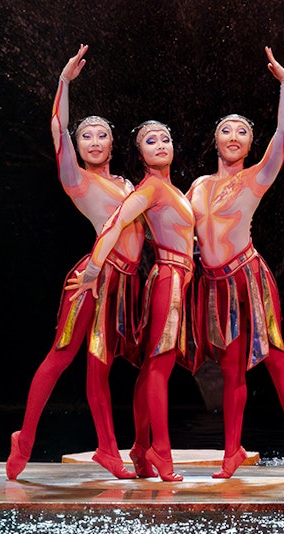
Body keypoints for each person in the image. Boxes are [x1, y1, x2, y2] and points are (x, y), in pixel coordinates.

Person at [7, 45, 144, 480]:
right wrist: (64, 83)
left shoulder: (126, 183)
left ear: (112, 143)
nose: (95, 141)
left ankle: (109, 449)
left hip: (127, 282)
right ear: (78, 146)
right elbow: (56, 127)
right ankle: (24, 437)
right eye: (86, 135)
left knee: (101, 365)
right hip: (93, 278)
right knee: (62, 355)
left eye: (102, 134)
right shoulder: (77, 179)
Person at [188, 46, 284, 480]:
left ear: (250, 143)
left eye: (242, 131)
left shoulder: (254, 179)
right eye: (227, 130)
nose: (235, 136)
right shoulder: (199, 186)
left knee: (275, 358)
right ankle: (231, 451)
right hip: (213, 285)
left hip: (248, 277)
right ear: (216, 140)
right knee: (230, 368)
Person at [70, 120, 196, 481]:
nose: (160, 145)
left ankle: (142, 448)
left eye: (165, 139)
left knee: (153, 369)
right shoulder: (150, 188)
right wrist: (94, 268)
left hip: (177, 280)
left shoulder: (172, 189)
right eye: (149, 141)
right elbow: (114, 224)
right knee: (159, 367)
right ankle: (161, 451)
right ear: (139, 154)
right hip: (168, 279)